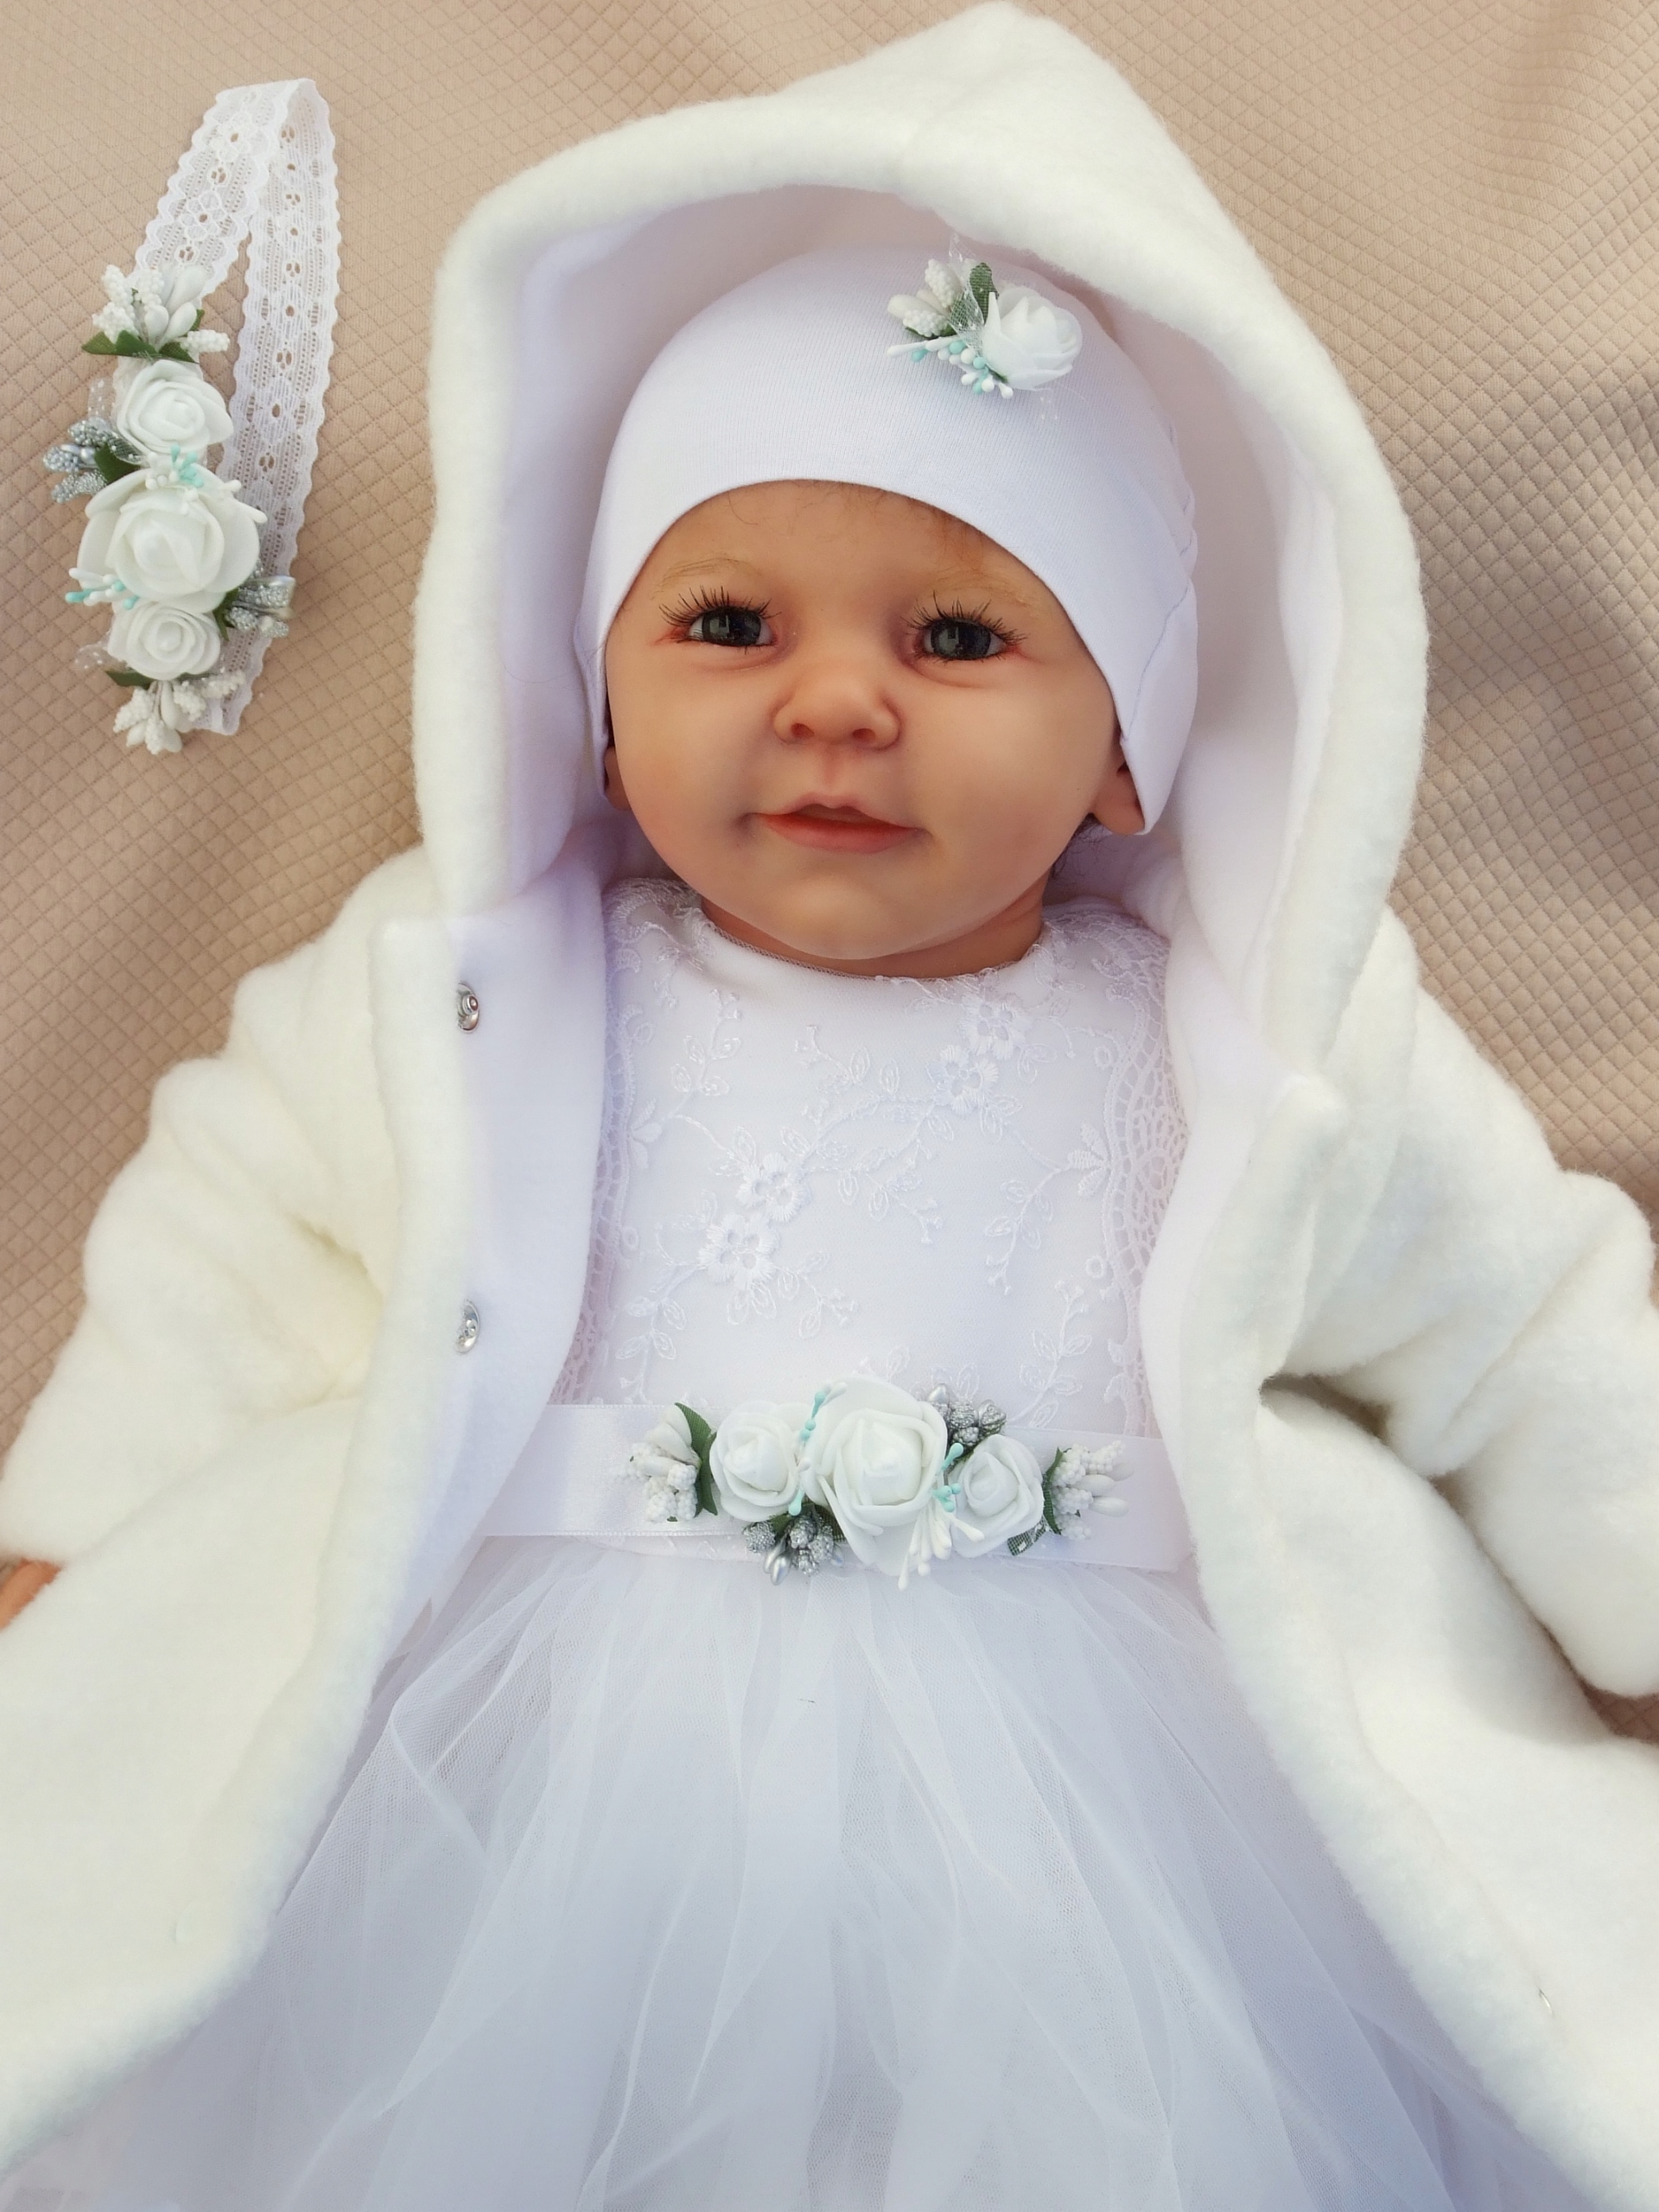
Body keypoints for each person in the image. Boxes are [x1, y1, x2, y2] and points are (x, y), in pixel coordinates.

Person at [3, 12, 1658, 2209]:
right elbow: (240, 1231)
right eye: (727, 620)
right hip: (519, 1800)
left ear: (1132, 749)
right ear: (598, 712)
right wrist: (78, 1527)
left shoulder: (1266, 1034)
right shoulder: (474, 987)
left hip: (1130, 1847)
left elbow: (1519, 1319)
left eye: (959, 638)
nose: (839, 701)